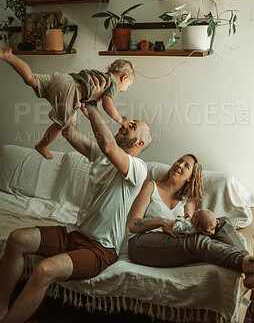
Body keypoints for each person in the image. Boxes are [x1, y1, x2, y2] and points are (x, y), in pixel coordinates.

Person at [0, 75, 152, 323]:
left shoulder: (138, 167)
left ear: (141, 142)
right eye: (128, 122)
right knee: (17, 239)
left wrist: (92, 104)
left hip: (100, 249)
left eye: (132, 126)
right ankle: (2, 308)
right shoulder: (102, 156)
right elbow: (70, 132)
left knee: (44, 270)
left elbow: (109, 148)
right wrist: (70, 99)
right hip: (74, 234)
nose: (125, 124)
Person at [128, 154, 254, 289]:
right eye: (179, 161)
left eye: (186, 166)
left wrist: (205, 228)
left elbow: (190, 225)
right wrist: (161, 221)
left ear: (190, 178)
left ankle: (249, 268)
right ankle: (251, 265)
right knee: (195, 243)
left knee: (221, 222)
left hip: (171, 243)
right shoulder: (150, 187)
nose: (179, 165)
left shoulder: (188, 199)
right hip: (140, 245)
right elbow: (133, 225)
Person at [0, 46, 135, 159]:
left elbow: (83, 99)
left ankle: (8, 56)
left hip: (64, 79)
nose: (124, 90)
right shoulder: (112, 84)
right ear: (124, 77)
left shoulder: (100, 76)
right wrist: (120, 119)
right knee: (61, 123)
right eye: (127, 87)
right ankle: (42, 145)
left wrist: (87, 113)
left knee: (31, 79)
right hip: (71, 91)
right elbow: (107, 105)